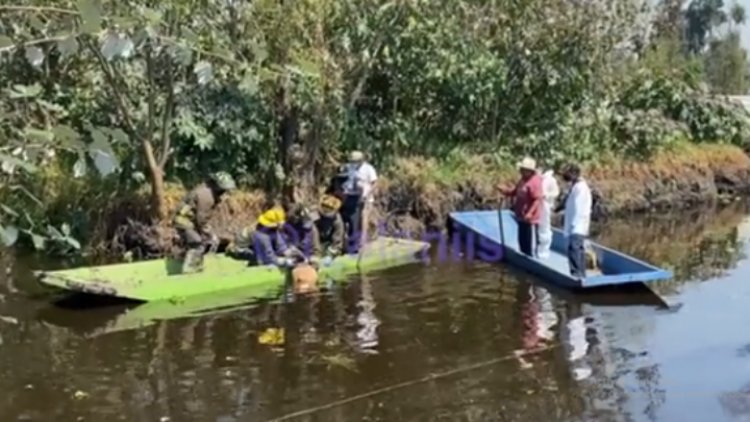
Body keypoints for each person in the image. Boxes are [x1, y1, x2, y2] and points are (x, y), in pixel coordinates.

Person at [173, 171, 236, 272]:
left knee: (202, 241)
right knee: (197, 243)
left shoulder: (206, 191)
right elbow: (201, 219)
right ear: (218, 187)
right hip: (184, 221)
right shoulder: (207, 196)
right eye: (224, 190)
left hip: (188, 220)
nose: (225, 193)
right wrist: (210, 233)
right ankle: (189, 269)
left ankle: (191, 262)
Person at [498, 157, 543, 257]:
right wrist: (506, 191)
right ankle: (524, 257)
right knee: (522, 241)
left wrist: (530, 213)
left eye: (524, 170)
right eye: (521, 169)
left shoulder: (534, 182)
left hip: (530, 219)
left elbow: (537, 199)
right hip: (521, 216)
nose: (521, 171)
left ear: (530, 171)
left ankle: (531, 260)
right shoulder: (523, 179)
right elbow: (516, 191)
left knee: (529, 243)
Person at [226, 197, 291, 266]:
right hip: (237, 250)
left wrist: (293, 254)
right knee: (262, 260)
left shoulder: (272, 230)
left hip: (250, 246)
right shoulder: (260, 234)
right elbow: (270, 258)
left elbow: (282, 248)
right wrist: (288, 261)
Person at [559, 163, 592, 279]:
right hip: (576, 224)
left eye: (567, 174)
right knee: (578, 249)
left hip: (578, 224)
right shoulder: (575, 186)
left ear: (573, 174)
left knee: (574, 249)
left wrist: (573, 225)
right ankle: (581, 274)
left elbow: (579, 208)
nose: (564, 176)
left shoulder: (580, 188)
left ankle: (577, 275)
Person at [340, 150, 378, 253]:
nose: (354, 163)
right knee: (350, 219)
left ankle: (362, 242)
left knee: (363, 217)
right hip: (353, 196)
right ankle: (346, 241)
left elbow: (374, 183)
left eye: (356, 161)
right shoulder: (350, 167)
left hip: (366, 198)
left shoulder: (368, 169)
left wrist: (368, 194)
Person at [315, 194, 346, 266]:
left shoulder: (337, 221)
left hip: (328, 244)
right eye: (325, 206)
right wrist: (316, 253)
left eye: (330, 207)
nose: (327, 209)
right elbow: (312, 235)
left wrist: (331, 254)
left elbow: (338, 239)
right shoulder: (314, 215)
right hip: (314, 244)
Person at [537, 164, 560, 259]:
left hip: (545, 205)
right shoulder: (537, 177)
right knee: (536, 227)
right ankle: (535, 247)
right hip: (536, 205)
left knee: (545, 227)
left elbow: (556, 192)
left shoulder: (551, 179)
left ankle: (544, 251)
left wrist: (546, 195)